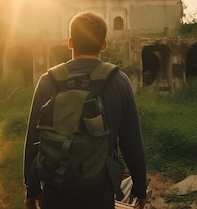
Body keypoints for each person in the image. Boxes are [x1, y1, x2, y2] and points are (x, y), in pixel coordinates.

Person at [23, 11, 148, 209]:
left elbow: (33, 140)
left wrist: (31, 188)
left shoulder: (47, 81)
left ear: (70, 42)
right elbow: (131, 142)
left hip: (55, 188)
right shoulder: (119, 81)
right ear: (103, 44)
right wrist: (140, 188)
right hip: (99, 190)